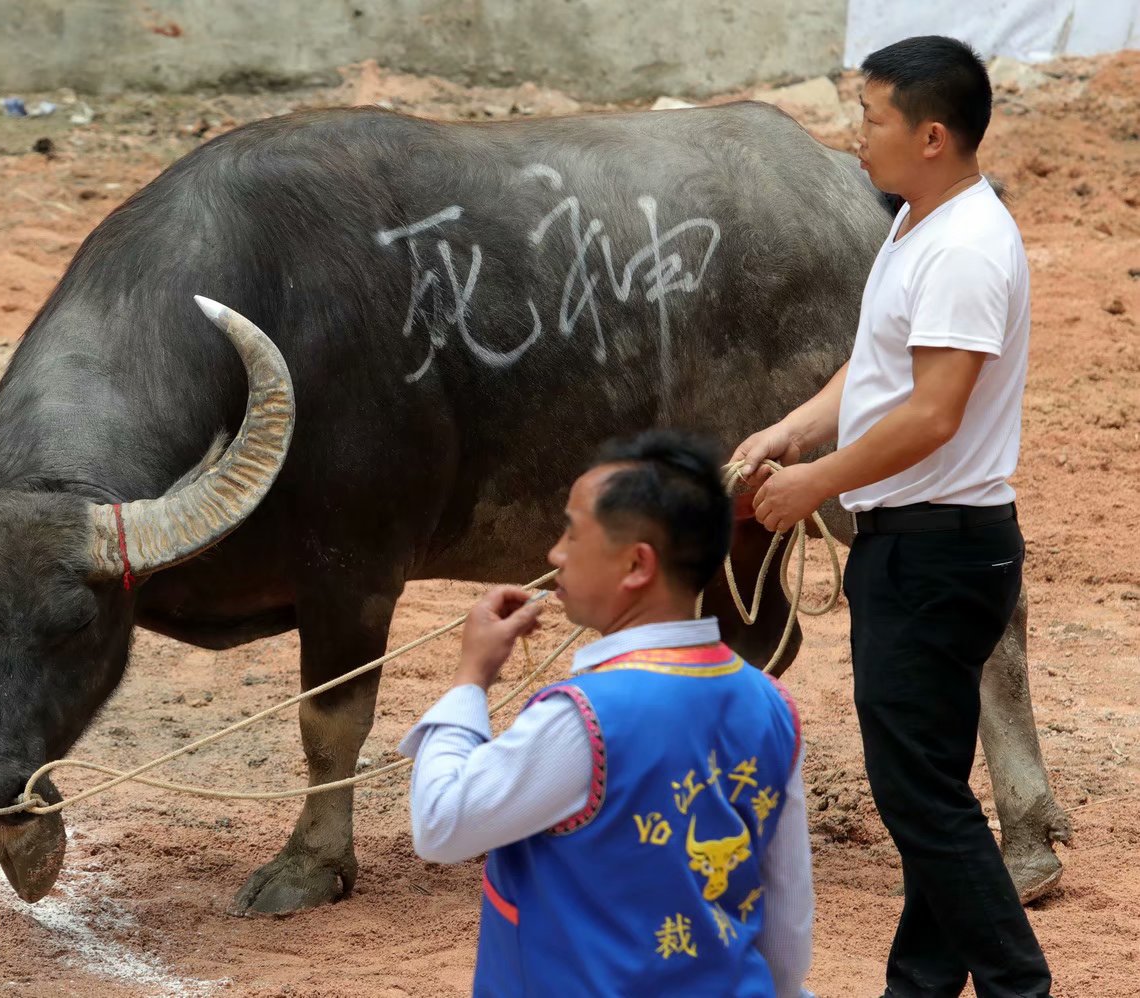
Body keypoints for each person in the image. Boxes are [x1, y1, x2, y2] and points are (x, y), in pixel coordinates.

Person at [731, 35, 1050, 998]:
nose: (855, 136)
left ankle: (1016, 983)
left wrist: (816, 483)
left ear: (933, 134)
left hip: (932, 551)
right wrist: (793, 428)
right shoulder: (921, 224)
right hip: (929, 546)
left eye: (871, 118)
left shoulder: (962, 248)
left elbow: (931, 411)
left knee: (919, 801)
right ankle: (919, 985)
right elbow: (877, 375)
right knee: (933, 791)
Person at [400, 431, 813, 996]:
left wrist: (470, 680)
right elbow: (786, 931)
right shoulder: (773, 704)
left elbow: (442, 823)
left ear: (636, 564)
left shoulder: (580, 718)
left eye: (573, 532)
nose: (555, 554)